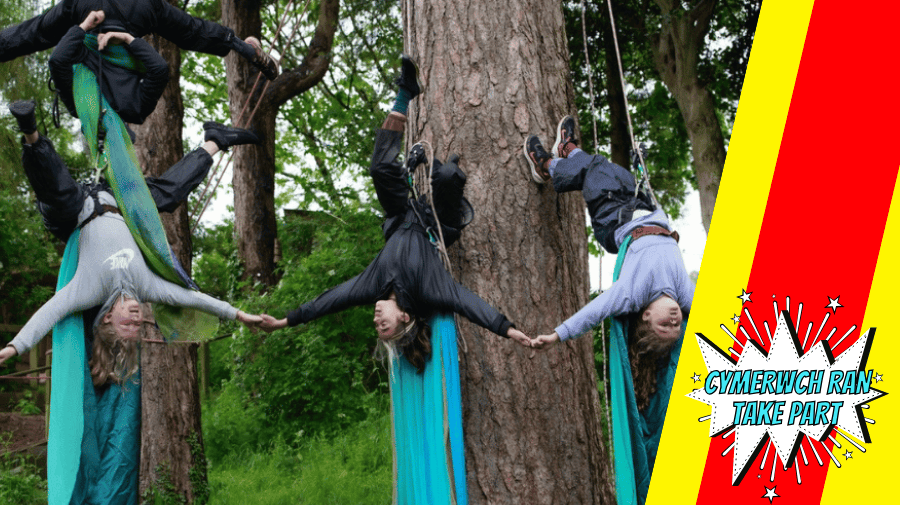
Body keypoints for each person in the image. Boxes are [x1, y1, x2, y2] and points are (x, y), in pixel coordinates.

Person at [260, 55, 531, 370]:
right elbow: (468, 303)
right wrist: (508, 329)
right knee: (446, 176)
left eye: (378, 327)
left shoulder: (370, 286)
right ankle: (437, 171)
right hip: (437, 223)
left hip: (402, 215)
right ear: (405, 317)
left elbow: (328, 301)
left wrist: (283, 321)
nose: (377, 321)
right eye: (384, 325)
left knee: (379, 168)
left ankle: (405, 93)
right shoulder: (429, 290)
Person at [0, 99, 263, 366]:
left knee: (60, 195)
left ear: (106, 317)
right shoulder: (147, 287)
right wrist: (239, 315)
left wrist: (13, 347)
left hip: (76, 211)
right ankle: (215, 140)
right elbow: (195, 299)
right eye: (137, 325)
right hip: (118, 201)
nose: (136, 318)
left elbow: (50, 312)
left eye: (127, 323)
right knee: (166, 196)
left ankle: (30, 133)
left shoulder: (89, 290)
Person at [524, 115, 693, 352]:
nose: (675, 319)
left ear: (646, 315)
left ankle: (546, 165)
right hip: (640, 207)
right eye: (677, 326)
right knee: (617, 173)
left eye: (665, 324)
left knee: (597, 169)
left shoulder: (633, 294)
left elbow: (596, 311)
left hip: (613, 222)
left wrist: (557, 335)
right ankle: (568, 152)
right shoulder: (684, 294)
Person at [0, 1, 278, 79]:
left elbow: (32, 33)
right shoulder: (152, 7)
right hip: (133, 14)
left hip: (95, 15)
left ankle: (242, 46)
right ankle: (244, 47)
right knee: (191, 30)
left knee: (35, 32)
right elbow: (193, 30)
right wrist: (235, 43)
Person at [49, 10, 169, 125]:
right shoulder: (135, 109)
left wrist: (85, 25)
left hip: (93, 33)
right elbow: (160, 69)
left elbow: (57, 61)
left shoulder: (79, 106)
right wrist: (127, 38)